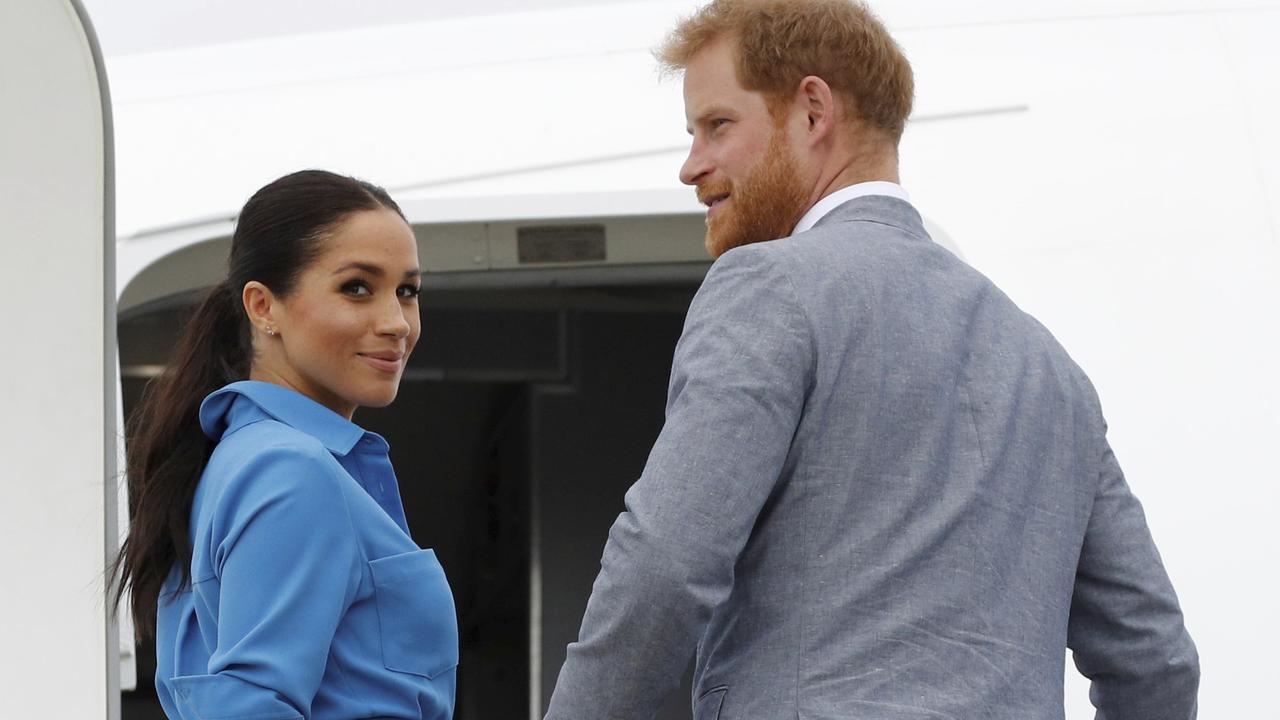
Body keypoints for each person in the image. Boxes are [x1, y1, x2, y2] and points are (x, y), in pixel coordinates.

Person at [545, 1, 1199, 718]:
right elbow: (1154, 657)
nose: (691, 165)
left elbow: (664, 571)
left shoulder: (768, 286)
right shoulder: (1048, 366)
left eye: (717, 125)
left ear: (813, 111)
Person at [111, 170, 457, 720]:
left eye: (407, 291)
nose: (396, 322)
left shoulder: (241, 459)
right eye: (357, 288)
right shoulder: (290, 471)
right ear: (263, 306)